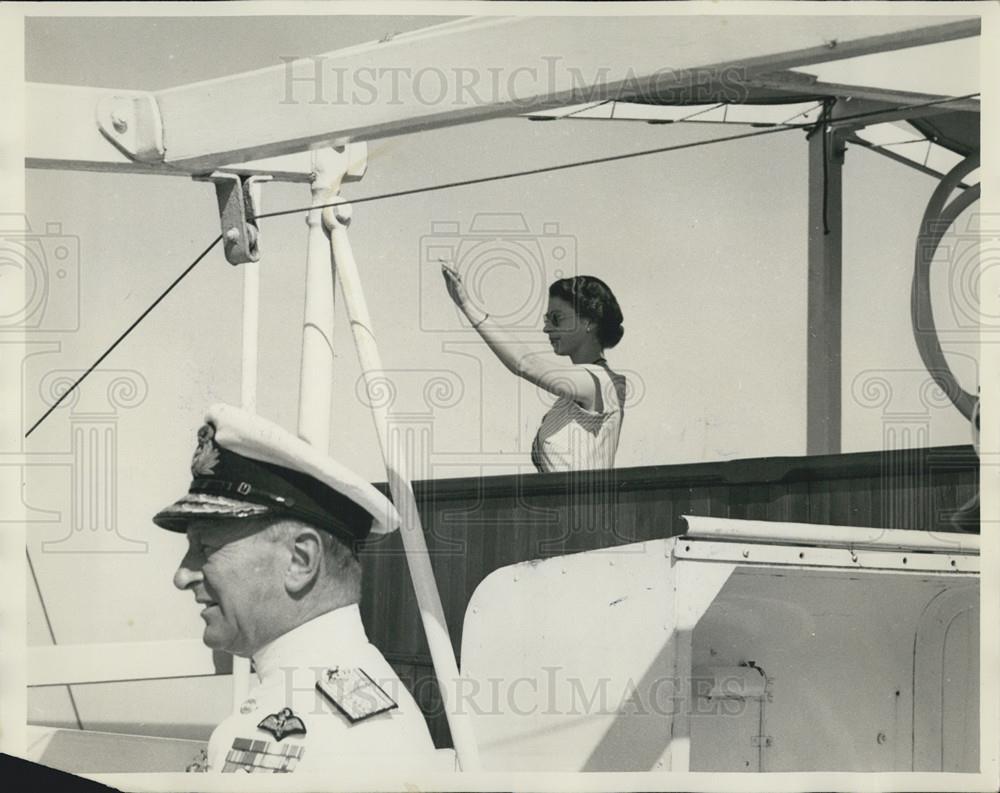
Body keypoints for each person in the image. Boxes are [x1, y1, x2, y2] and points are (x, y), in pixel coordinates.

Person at [153, 403, 436, 773]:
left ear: (300, 561)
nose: (182, 576)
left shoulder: (349, 741)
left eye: (206, 548)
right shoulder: (307, 703)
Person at [442, 265, 627, 472]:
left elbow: (524, 364)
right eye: (547, 320)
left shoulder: (600, 381)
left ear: (588, 322)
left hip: (582, 504)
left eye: (556, 319)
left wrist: (467, 305)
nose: (547, 328)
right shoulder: (578, 392)